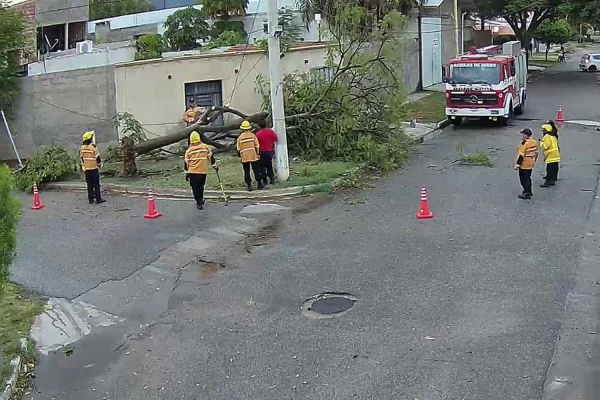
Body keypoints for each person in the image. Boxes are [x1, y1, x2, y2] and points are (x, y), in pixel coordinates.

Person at [184, 131, 218, 210]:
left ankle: (199, 202)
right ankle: (201, 199)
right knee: (201, 186)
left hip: (192, 172)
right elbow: (211, 157)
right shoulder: (205, 147)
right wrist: (215, 166)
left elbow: (186, 163)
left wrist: (186, 173)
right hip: (202, 171)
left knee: (195, 188)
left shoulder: (189, 150)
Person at [80, 131, 106, 205]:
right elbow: (97, 157)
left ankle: (90, 199)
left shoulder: (82, 147)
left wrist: (83, 165)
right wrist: (100, 164)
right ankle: (98, 199)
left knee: (89, 185)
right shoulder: (93, 147)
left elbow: (81, 157)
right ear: (90, 139)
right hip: (94, 168)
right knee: (96, 185)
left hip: (87, 169)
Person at [236, 121, 263, 191]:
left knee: (246, 171)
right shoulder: (253, 136)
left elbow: (238, 149)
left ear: (242, 129)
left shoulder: (240, 138)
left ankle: (249, 185)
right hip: (253, 155)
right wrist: (258, 154)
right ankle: (259, 184)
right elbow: (257, 146)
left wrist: (239, 157)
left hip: (244, 156)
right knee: (256, 170)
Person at [514, 128, 538, 199]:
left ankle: (527, 192)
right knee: (528, 178)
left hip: (524, 164)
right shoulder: (534, 142)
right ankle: (528, 191)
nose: (522, 135)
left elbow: (521, 155)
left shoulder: (524, 143)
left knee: (524, 179)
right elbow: (536, 153)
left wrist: (517, 165)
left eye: (523, 134)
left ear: (526, 135)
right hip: (531, 163)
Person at [255, 120, 278, 186]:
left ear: (259, 126)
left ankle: (264, 180)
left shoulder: (258, 134)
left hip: (262, 152)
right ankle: (272, 178)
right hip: (270, 151)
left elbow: (256, 144)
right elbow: (275, 139)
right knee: (269, 166)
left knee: (262, 167)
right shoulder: (270, 132)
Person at [539, 123, 560, 187]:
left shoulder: (547, 137)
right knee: (554, 169)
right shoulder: (553, 136)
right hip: (556, 155)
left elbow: (545, 146)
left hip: (550, 156)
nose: (542, 132)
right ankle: (553, 180)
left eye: (543, 130)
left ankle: (547, 182)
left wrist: (541, 142)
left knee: (549, 170)